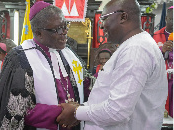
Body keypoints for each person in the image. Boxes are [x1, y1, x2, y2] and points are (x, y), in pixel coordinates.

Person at [56, 0, 168, 130]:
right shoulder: (132, 46)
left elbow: (117, 111)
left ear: (123, 17)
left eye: (104, 18)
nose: (102, 26)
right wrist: (81, 111)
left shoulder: (136, 49)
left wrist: (76, 112)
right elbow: (106, 96)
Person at [0, 1, 87, 130]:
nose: (65, 32)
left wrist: (81, 109)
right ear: (38, 33)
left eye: (65, 26)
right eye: (57, 29)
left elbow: (87, 84)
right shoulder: (20, 58)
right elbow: (17, 109)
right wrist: (65, 112)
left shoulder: (69, 54)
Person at [153, 6, 173, 118]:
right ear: (166, 18)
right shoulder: (154, 36)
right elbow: (148, 58)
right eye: (171, 19)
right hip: (160, 83)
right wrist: (162, 50)